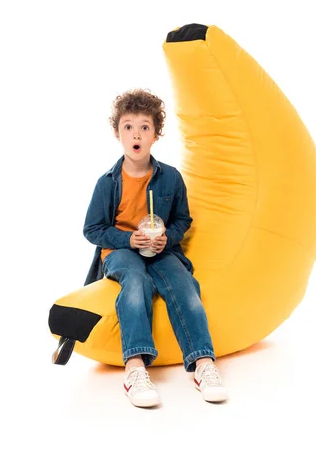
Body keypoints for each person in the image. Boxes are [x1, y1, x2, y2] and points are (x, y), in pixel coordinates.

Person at [83, 88, 228, 408]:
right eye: (129, 126)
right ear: (118, 133)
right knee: (136, 283)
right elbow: (92, 229)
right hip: (120, 251)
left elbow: (182, 219)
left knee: (185, 284)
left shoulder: (171, 178)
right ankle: (135, 367)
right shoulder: (107, 182)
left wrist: (168, 238)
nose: (136, 133)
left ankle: (203, 364)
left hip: (161, 250)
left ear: (156, 134)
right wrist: (127, 240)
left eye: (144, 127)